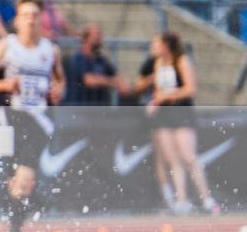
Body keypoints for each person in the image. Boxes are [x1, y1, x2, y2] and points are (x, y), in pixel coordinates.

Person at [0, 0, 65, 232]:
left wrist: (57, 91)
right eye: (25, 15)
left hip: (38, 121)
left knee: (22, 183)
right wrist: (5, 86)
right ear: (17, 19)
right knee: (11, 188)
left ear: (41, 20)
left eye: (35, 15)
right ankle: (35, 200)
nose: (30, 20)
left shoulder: (51, 50)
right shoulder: (7, 46)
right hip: (10, 119)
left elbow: (61, 84)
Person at [137, 31, 216, 214]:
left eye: (156, 44)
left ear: (166, 45)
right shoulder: (156, 64)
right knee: (172, 159)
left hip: (180, 113)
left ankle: (207, 199)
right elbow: (147, 86)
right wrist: (156, 100)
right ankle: (181, 200)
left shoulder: (181, 61)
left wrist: (166, 95)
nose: (153, 48)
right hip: (163, 115)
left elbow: (190, 89)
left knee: (189, 156)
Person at [66, 24, 123, 107]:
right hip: (80, 110)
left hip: (97, 111)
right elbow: (88, 80)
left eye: (100, 34)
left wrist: (121, 84)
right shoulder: (77, 59)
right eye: (97, 34)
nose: (100, 38)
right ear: (86, 38)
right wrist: (111, 81)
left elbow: (117, 78)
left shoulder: (101, 60)